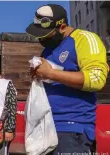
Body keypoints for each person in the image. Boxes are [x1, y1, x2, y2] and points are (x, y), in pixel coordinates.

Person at [26, 4, 109, 154]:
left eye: (46, 34)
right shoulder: (48, 50)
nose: (41, 38)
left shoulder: (84, 39)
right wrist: (39, 75)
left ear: (62, 26)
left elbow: (96, 79)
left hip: (72, 128)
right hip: (47, 127)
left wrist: (50, 73)